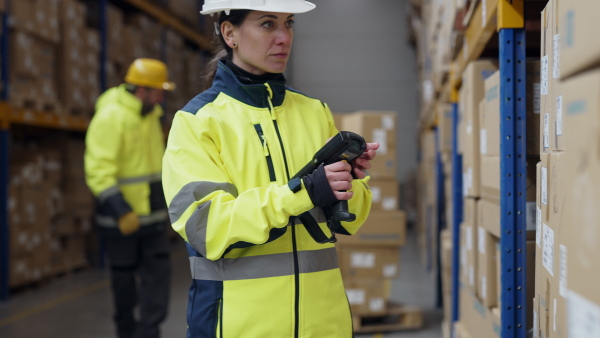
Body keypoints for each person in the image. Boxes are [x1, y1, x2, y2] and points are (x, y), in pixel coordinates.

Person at [162, 1, 379, 337]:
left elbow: (353, 222)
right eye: (267, 24)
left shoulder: (313, 110)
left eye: (288, 23)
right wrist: (304, 193)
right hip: (239, 326)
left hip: (323, 324)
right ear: (230, 33)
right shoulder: (198, 123)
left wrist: (349, 183)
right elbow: (206, 228)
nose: (284, 38)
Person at [84, 58, 175, 338]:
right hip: (120, 221)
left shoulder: (151, 115)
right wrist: (121, 210)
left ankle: (148, 333)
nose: (161, 96)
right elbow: (98, 170)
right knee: (124, 284)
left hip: (153, 219)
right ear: (141, 89)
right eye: (157, 91)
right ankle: (126, 332)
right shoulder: (111, 117)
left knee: (158, 280)